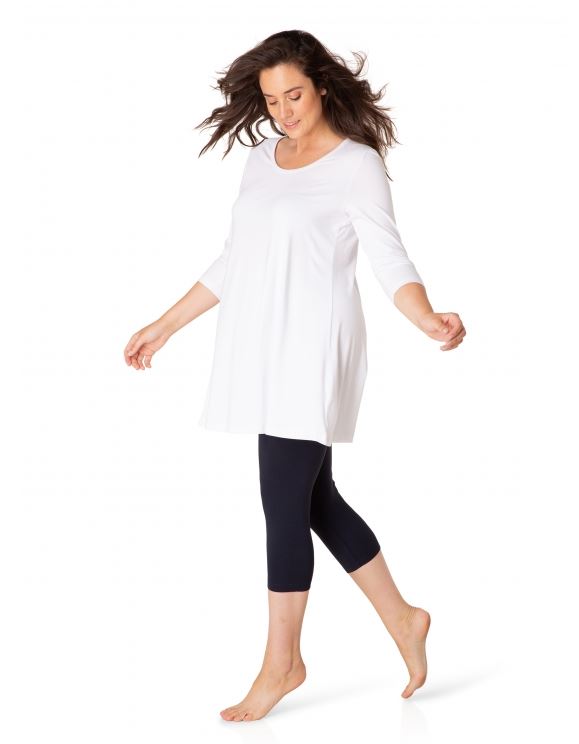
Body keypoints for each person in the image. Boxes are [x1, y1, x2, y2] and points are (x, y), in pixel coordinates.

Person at [123, 30, 466, 722]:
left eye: (295, 96)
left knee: (282, 502)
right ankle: (404, 619)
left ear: (322, 86)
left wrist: (425, 315)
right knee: (314, 500)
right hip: (262, 346)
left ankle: (282, 663)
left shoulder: (356, 164)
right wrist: (165, 324)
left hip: (313, 350)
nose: (283, 112)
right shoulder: (260, 159)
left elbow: (388, 256)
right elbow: (236, 258)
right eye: (272, 100)